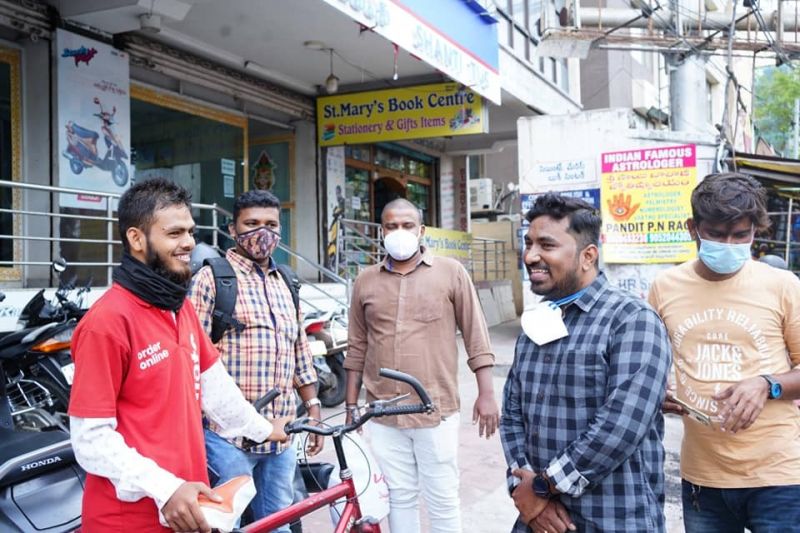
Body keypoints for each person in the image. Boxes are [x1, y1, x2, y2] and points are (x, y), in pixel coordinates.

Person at [68, 178, 290, 533]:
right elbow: (90, 439)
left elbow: (215, 386)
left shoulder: (178, 308)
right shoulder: (107, 321)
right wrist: (167, 488)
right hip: (129, 521)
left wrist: (264, 430)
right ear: (136, 239)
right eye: (174, 233)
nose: (188, 242)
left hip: (190, 513)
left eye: (190, 231)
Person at [501, 193, 671, 533]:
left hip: (614, 517)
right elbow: (512, 415)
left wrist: (542, 488)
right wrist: (526, 492)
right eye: (529, 243)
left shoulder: (631, 320)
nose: (531, 256)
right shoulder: (538, 321)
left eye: (546, 245)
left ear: (587, 256)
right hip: (537, 521)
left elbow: (619, 428)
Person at [648, 173, 800, 532]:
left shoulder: (782, 286)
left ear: (754, 233)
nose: (728, 244)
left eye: (740, 235)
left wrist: (767, 384)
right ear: (693, 228)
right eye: (716, 234)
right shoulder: (664, 288)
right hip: (704, 476)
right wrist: (658, 393)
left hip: (778, 474)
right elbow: (650, 364)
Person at [344, 198, 499, 533]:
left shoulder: (450, 272)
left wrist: (486, 393)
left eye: (407, 225)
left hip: (436, 409)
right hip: (382, 411)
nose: (399, 232)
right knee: (399, 496)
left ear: (421, 230)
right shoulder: (365, 281)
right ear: (381, 232)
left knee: (442, 496)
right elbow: (356, 346)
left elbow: (476, 333)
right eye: (391, 226)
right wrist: (350, 404)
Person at [189, 189, 320, 529]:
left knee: (277, 522)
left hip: (282, 436)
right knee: (225, 523)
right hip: (227, 437)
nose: (262, 232)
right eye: (251, 223)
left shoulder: (287, 281)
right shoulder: (212, 279)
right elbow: (192, 359)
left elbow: (299, 350)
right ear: (232, 230)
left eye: (271, 224)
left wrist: (315, 410)